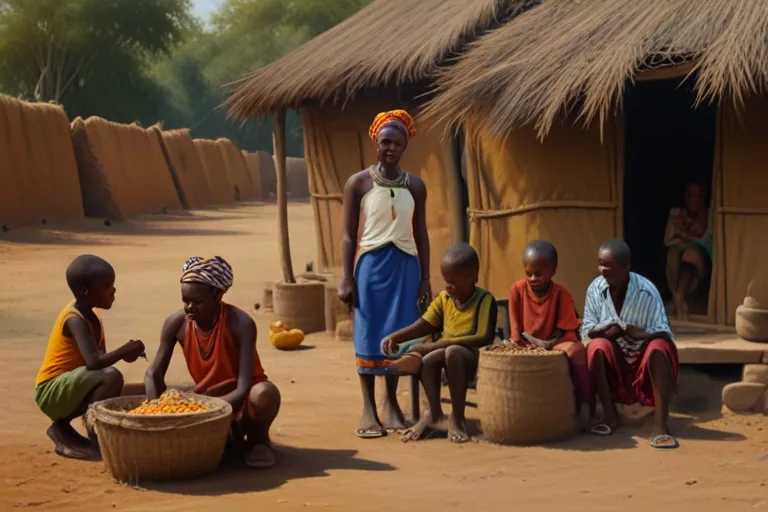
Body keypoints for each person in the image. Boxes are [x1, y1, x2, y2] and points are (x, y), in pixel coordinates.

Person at [338, 109, 431, 439]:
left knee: (397, 335)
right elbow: (349, 235)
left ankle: (391, 404)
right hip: (370, 269)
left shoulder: (415, 187)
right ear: (375, 143)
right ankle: (368, 408)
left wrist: (425, 279)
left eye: (397, 142)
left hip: (405, 268)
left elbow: (421, 234)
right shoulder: (358, 183)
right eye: (385, 141)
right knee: (367, 333)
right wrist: (346, 276)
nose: (390, 148)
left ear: (406, 146)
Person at [145, 256, 281, 468]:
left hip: (239, 400)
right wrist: (157, 414)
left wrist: (206, 411)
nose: (189, 307)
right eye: (185, 301)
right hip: (204, 397)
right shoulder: (176, 323)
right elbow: (153, 373)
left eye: (197, 302)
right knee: (131, 391)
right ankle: (225, 437)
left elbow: (243, 386)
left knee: (265, 393)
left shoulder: (241, 323)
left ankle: (258, 441)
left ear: (218, 295)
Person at [382, 243, 497, 444]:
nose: (448, 286)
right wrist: (397, 337)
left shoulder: (485, 299)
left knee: (451, 351)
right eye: (445, 281)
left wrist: (443, 343)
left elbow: (484, 336)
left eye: (453, 281)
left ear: (472, 277)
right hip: (444, 354)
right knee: (429, 358)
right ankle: (434, 414)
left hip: (473, 360)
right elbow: (424, 324)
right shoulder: (445, 298)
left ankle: (457, 418)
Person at [35, 255, 146, 460]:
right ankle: (77, 431)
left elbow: (101, 359)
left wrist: (127, 355)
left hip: (73, 386)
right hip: (51, 392)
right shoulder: (74, 319)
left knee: (144, 390)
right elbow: (94, 363)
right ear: (86, 292)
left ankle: (78, 429)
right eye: (106, 287)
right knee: (112, 376)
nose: (113, 291)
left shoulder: (91, 317)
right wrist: (123, 351)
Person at [582, 239, 679, 449]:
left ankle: (660, 426)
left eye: (608, 265)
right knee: (596, 346)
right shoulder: (595, 289)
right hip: (615, 361)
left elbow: (664, 332)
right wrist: (606, 331)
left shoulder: (647, 291)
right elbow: (586, 330)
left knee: (660, 348)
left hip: (643, 360)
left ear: (626, 267)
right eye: (600, 263)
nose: (602, 270)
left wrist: (628, 330)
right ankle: (609, 416)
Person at [508, 240, 590, 420]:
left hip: (554, 342)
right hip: (526, 341)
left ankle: (584, 403)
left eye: (538, 274)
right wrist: (517, 343)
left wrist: (550, 349)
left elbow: (569, 333)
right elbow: (515, 328)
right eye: (528, 274)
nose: (532, 279)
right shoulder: (517, 290)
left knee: (577, 351)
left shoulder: (561, 294)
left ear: (553, 272)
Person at [664, 181, 712, 320]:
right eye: (691, 195)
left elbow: (706, 240)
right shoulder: (676, 214)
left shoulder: (708, 215)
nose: (694, 200)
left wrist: (682, 238)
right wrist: (688, 239)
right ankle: (678, 298)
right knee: (673, 253)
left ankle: (680, 298)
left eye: (699, 196)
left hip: (701, 258)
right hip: (680, 254)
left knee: (690, 254)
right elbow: (668, 241)